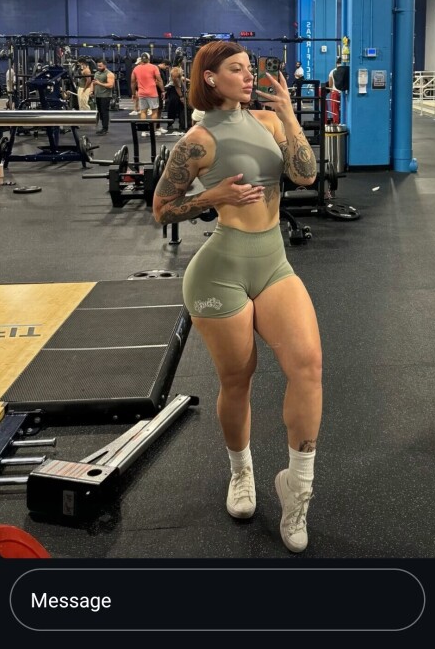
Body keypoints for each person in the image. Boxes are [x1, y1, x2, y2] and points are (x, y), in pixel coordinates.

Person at [152, 41, 322, 553]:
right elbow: (162, 209)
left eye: (250, 69)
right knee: (237, 379)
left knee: (308, 367)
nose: (249, 77)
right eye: (237, 69)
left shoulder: (269, 122)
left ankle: (297, 487)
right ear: (210, 78)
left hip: (273, 263)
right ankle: (241, 471)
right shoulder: (197, 141)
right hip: (220, 272)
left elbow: (306, 174)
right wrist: (213, 196)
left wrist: (289, 114)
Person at [131, 52, 165, 135]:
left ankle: (144, 131)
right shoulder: (154, 67)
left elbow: (133, 82)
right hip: (152, 93)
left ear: (141, 59)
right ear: (149, 59)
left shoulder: (136, 68)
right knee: (154, 111)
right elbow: (159, 80)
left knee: (143, 111)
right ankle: (153, 131)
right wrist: (163, 91)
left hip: (141, 93)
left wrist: (133, 93)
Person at [90, 58, 115, 136]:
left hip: (105, 96)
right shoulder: (96, 73)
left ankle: (105, 128)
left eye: (100, 66)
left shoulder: (109, 74)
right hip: (98, 96)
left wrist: (99, 83)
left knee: (104, 112)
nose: (99, 67)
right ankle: (103, 128)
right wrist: (91, 91)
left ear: (105, 65)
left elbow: (110, 85)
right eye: (98, 66)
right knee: (100, 112)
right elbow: (93, 83)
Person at [165, 64, 188, 131]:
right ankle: (174, 125)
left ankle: (173, 124)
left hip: (172, 92)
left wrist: (189, 80)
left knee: (175, 109)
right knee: (176, 109)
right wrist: (181, 96)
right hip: (175, 93)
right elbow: (177, 87)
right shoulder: (175, 79)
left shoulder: (175, 76)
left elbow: (182, 78)